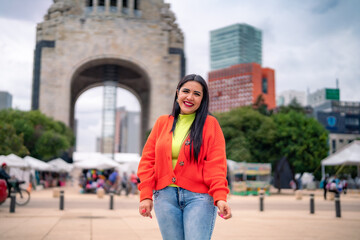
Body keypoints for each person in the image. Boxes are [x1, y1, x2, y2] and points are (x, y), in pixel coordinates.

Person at [137, 74, 232, 240]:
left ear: (203, 99)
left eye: (197, 94)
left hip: (199, 198)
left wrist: (220, 197)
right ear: (177, 93)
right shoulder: (162, 123)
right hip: (165, 197)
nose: (190, 97)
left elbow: (216, 165)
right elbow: (147, 161)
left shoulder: (211, 124)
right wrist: (145, 195)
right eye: (185, 91)